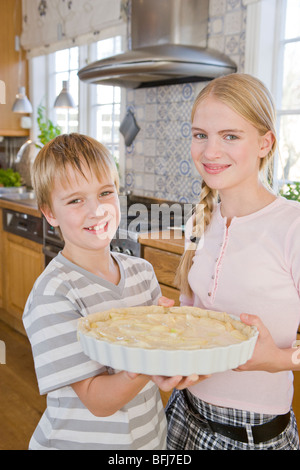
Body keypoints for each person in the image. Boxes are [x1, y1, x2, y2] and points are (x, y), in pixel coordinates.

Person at [23, 133, 198, 450]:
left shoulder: (142, 273)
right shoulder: (54, 293)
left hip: (147, 440)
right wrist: (152, 351)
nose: (96, 210)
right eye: (75, 200)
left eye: (105, 193)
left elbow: (156, 370)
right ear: (49, 213)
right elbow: (98, 402)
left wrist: (174, 346)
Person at [166, 73, 300, 450]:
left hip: (251, 435)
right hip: (182, 415)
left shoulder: (293, 227)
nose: (210, 152)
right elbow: (193, 318)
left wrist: (276, 358)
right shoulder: (200, 218)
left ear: (264, 142)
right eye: (200, 135)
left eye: (230, 136)